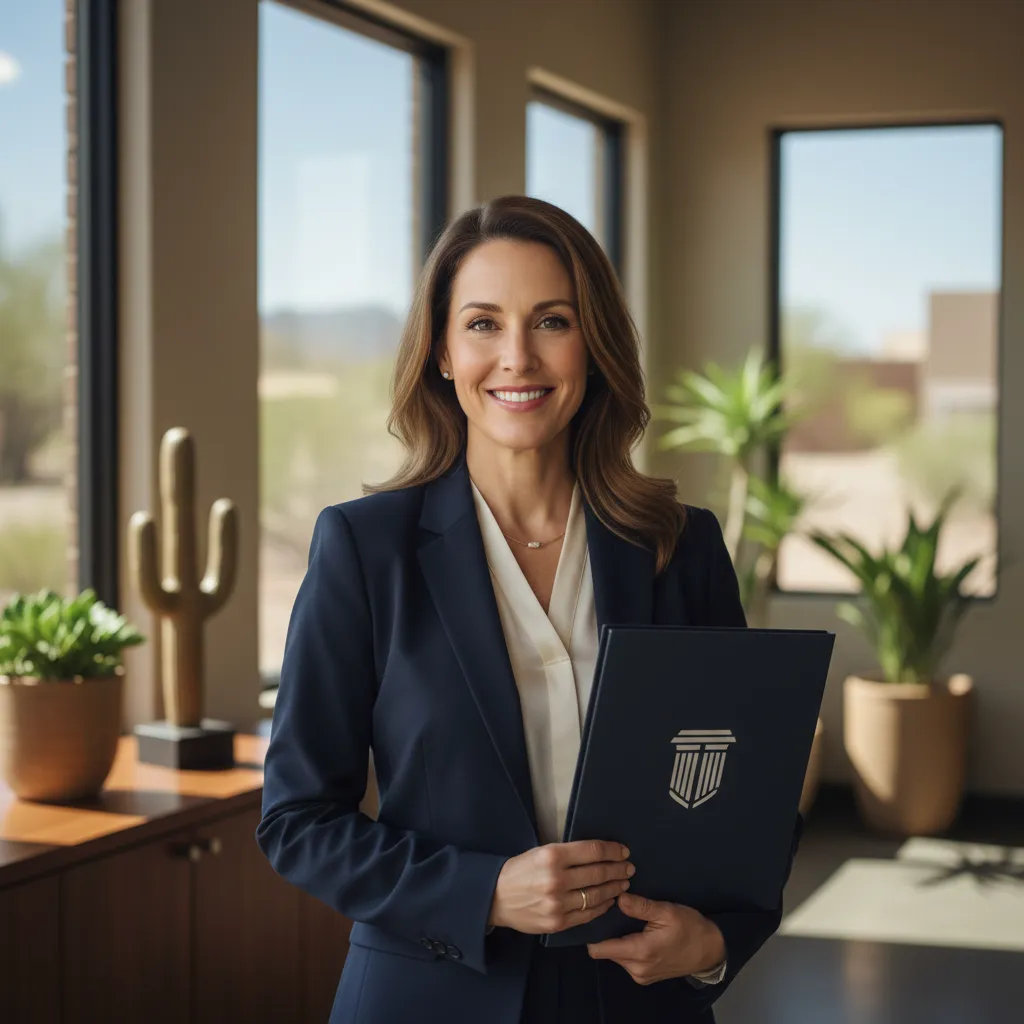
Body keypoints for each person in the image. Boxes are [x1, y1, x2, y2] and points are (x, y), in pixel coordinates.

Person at [256, 195, 801, 1023]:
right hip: (427, 996)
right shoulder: (365, 550)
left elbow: (748, 804)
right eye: (482, 323)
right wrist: (485, 892)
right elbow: (298, 821)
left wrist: (715, 943)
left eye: (552, 320)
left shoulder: (680, 547)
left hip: (637, 1002)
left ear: (594, 346)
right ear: (441, 350)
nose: (517, 356)